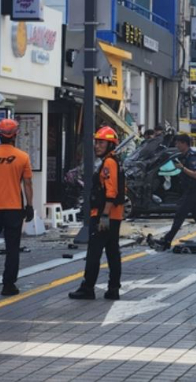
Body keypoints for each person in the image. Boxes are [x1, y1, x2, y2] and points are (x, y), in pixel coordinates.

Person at [69, 126, 125, 301]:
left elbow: (111, 191)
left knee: (94, 253)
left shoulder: (109, 163)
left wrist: (104, 216)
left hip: (104, 215)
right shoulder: (114, 161)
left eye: (101, 143)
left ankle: (88, 288)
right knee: (113, 252)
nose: (97, 146)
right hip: (114, 215)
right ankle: (113, 288)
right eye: (96, 142)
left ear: (110, 145)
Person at [0, 119, 34, 296]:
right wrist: (29, 206)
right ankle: (8, 285)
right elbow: (27, 184)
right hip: (14, 208)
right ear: (15, 135)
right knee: (12, 248)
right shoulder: (23, 157)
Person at [155, 134, 196, 250]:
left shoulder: (192, 157)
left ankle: (167, 240)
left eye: (178, 143)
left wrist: (182, 168)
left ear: (184, 143)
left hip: (192, 191)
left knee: (179, 216)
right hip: (187, 191)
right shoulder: (183, 156)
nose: (177, 145)